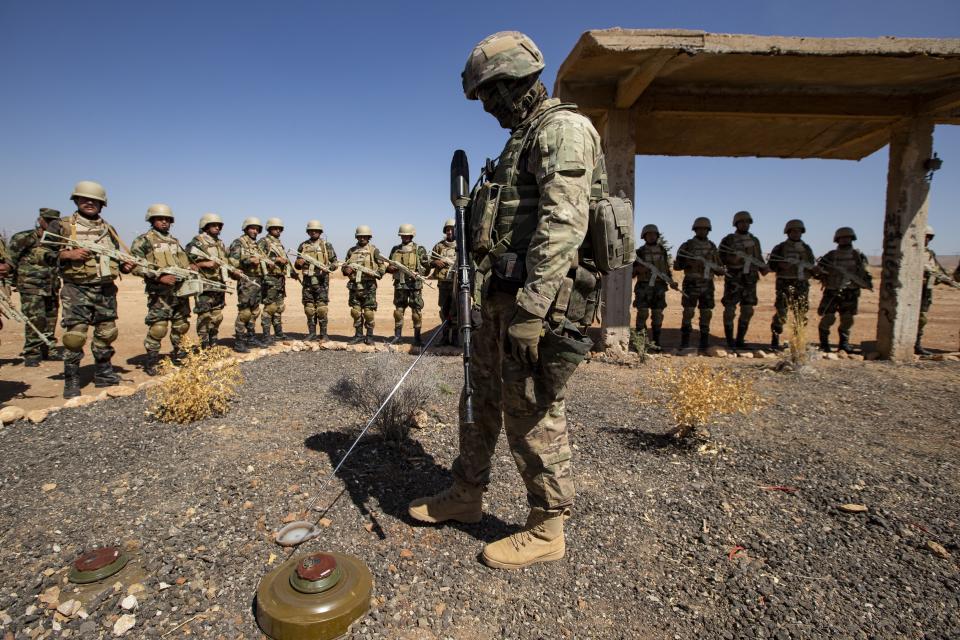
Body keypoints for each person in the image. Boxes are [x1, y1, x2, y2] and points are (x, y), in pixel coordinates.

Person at [408, 31, 601, 570]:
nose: (489, 106)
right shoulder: (521, 136)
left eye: (492, 93)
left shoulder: (562, 130)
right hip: (498, 302)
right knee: (480, 399)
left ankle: (546, 527)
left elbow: (562, 226)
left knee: (533, 412)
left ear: (519, 80)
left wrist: (534, 312)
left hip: (533, 308)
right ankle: (467, 494)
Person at [44, 181, 133, 398]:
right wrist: (66, 255)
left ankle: (103, 372)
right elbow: (41, 254)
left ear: (102, 204)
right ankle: (72, 378)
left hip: (105, 290)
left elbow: (115, 258)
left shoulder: (108, 229)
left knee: (106, 333)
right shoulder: (62, 225)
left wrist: (125, 266)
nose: (90, 203)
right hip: (77, 289)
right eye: (85, 199)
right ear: (76, 200)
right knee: (75, 336)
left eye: (95, 200)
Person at [129, 204, 194, 376]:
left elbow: (183, 264)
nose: (164, 222)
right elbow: (134, 265)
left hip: (179, 292)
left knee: (181, 326)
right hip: (159, 294)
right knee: (158, 327)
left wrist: (190, 269)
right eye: (160, 219)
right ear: (151, 220)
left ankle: (179, 355)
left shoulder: (174, 241)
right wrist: (158, 277)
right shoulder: (143, 240)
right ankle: (152, 360)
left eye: (167, 219)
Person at [8, 208, 63, 366]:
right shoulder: (24, 238)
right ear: (40, 220)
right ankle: (32, 352)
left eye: (55, 221)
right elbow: (10, 261)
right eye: (48, 220)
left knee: (51, 318)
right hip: (31, 285)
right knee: (35, 320)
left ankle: (49, 350)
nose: (51, 223)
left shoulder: (57, 241)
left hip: (51, 285)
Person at [816, 227, 872, 353]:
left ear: (852, 239)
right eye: (842, 238)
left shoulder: (858, 256)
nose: (845, 240)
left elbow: (866, 274)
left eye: (848, 238)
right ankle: (824, 344)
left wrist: (864, 282)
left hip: (850, 291)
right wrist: (824, 272)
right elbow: (818, 272)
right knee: (828, 318)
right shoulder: (830, 256)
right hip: (832, 291)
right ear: (837, 240)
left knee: (847, 319)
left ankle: (844, 344)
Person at [767, 219, 820, 350]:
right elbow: (771, 265)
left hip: (802, 283)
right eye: (794, 231)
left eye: (799, 231)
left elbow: (811, 266)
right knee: (782, 313)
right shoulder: (780, 248)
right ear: (788, 232)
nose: (797, 234)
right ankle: (775, 338)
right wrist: (781, 265)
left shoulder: (806, 249)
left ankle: (798, 341)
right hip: (784, 282)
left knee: (801, 314)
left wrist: (815, 270)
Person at [719, 211, 769, 350]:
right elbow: (720, 258)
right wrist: (734, 259)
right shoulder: (729, 240)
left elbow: (758, 257)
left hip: (750, 280)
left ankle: (740, 340)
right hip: (734, 279)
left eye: (747, 222)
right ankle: (730, 341)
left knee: (747, 310)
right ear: (736, 224)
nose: (745, 224)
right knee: (729, 310)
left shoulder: (754, 240)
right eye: (742, 222)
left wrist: (763, 268)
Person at [673, 217, 724, 350]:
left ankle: (704, 342)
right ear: (695, 230)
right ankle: (685, 342)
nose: (702, 231)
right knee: (688, 313)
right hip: (691, 283)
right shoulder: (687, 246)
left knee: (706, 313)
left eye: (705, 229)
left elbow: (719, 266)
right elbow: (677, 266)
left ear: (709, 230)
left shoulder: (712, 247)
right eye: (700, 229)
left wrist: (718, 269)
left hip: (707, 284)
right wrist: (688, 263)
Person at [185, 213, 234, 349]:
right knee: (204, 316)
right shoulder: (197, 242)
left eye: (219, 225)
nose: (217, 227)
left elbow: (226, 262)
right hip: (204, 285)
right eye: (214, 225)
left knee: (217, 316)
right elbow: (186, 264)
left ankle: (213, 343)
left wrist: (233, 270)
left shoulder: (220, 243)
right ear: (205, 226)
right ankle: (203, 346)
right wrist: (204, 264)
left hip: (219, 285)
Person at [631, 223, 677, 350]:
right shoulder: (639, 252)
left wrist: (671, 281)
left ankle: (656, 343)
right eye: (649, 234)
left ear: (657, 236)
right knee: (642, 315)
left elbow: (666, 270)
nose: (651, 237)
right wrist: (638, 269)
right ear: (644, 237)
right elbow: (631, 272)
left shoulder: (662, 251)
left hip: (659, 288)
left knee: (657, 316)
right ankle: (641, 344)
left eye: (654, 234)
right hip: (643, 288)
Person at [228, 217, 268, 352]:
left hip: (257, 280)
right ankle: (239, 342)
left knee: (255, 311)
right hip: (246, 280)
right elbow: (233, 263)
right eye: (252, 228)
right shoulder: (238, 243)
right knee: (244, 312)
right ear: (245, 228)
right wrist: (250, 260)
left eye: (257, 229)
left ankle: (251, 338)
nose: (255, 231)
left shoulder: (256, 245)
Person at [294, 220, 338, 342]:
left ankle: (323, 334)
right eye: (311, 230)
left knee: (322, 309)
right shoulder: (303, 246)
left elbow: (335, 262)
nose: (314, 232)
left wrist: (329, 268)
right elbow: (297, 265)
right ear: (308, 232)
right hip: (307, 281)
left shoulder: (326, 245)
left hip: (322, 281)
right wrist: (299, 263)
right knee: (309, 308)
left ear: (320, 232)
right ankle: (312, 334)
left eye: (316, 230)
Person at [386, 223, 429, 345]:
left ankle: (417, 337)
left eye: (407, 235)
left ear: (411, 235)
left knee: (416, 311)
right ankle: (398, 336)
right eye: (402, 235)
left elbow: (427, 267)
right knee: (399, 311)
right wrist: (391, 269)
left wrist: (418, 272)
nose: (404, 237)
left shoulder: (419, 249)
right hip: (400, 285)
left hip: (414, 285)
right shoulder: (395, 249)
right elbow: (389, 266)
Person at [342, 225, 385, 345]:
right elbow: (344, 267)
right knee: (355, 312)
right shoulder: (351, 251)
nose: (362, 239)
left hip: (369, 286)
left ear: (368, 237)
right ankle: (358, 335)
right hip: (354, 286)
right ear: (357, 237)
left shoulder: (374, 250)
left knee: (368, 312)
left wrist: (377, 274)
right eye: (360, 236)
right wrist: (346, 270)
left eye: (364, 236)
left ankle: (370, 336)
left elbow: (382, 266)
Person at [916, 225, 954, 355]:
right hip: (914, 291)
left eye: (928, 237)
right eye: (924, 236)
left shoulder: (930, 254)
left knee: (922, 318)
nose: (926, 239)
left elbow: (938, 271)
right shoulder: (913, 252)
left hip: (926, 291)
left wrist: (945, 280)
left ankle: (917, 344)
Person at [258, 217, 295, 343]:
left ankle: (278, 333)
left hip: (279, 279)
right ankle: (266, 335)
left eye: (280, 228)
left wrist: (293, 272)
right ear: (269, 228)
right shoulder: (264, 242)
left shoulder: (278, 243)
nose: (278, 230)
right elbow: (259, 258)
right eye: (275, 228)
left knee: (279, 308)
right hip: (269, 279)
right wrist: (276, 260)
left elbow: (286, 260)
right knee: (269, 308)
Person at [430, 219, 458, 346]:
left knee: (457, 311)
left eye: (452, 229)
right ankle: (445, 337)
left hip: (457, 284)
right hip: (444, 284)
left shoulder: (461, 245)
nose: (450, 232)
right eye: (448, 230)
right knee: (444, 311)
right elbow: (429, 261)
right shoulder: (439, 246)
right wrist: (435, 263)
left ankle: (456, 338)